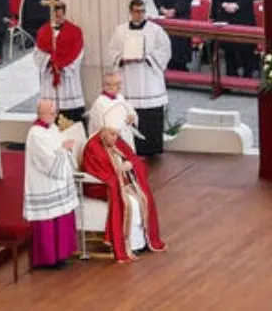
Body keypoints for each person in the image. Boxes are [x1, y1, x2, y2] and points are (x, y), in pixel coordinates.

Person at [81, 125, 169, 262]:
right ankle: (128, 245)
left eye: (117, 134)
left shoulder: (117, 141)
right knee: (131, 204)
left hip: (122, 182)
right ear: (102, 132)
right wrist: (117, 178)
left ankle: (142, 242)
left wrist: (130, 164)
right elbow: (94, 172)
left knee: (143, 198)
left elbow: (133, 157)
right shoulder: (93, 147)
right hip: (103, 187)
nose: (115, 138)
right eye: (112, 134)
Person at [106, 0, 172, 156]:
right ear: (130, 12)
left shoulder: (156, 30)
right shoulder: (120, 31)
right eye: (136, 11)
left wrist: (147, 58)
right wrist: (122, 59)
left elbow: (165, 51)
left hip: (149, 82)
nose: (140, 14)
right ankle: (131, 149)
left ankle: (153, 150)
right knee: (130, 116)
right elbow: (112, 51)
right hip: (129, 81)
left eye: (142, 11)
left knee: (150, 119)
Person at [23, 99, 78, 270]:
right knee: (48, 221)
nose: (55, 116)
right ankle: (47, 259)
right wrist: (63, 150)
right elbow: (47, 160)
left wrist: (65, 147)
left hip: (57, 183)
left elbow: (58, 147)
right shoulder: (35, 134)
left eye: (55, 112)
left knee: (61, 217)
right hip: (44, 183)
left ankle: (61, 255)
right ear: (41, 113)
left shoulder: (52, 128)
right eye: (51, 113)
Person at [34, 0, 87, 123]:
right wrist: (50, 61)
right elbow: (37, 54)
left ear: (64, 13)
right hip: (50, 80)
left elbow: (78, 53)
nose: (58, 17)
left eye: (60, 14)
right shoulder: (43, 32)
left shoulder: (75, 31)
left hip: (67, 80)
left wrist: (62, 65)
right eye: (55, 15)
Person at [87, 72, 142, 151]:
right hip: (111, 142)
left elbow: (131, 112)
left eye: (120, 83)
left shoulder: (120, 97)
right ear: (107, 86)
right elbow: (99, 128)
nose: (120, 87)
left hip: (126, 137)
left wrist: (132, 118)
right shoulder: (100, 103)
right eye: (117, 84)